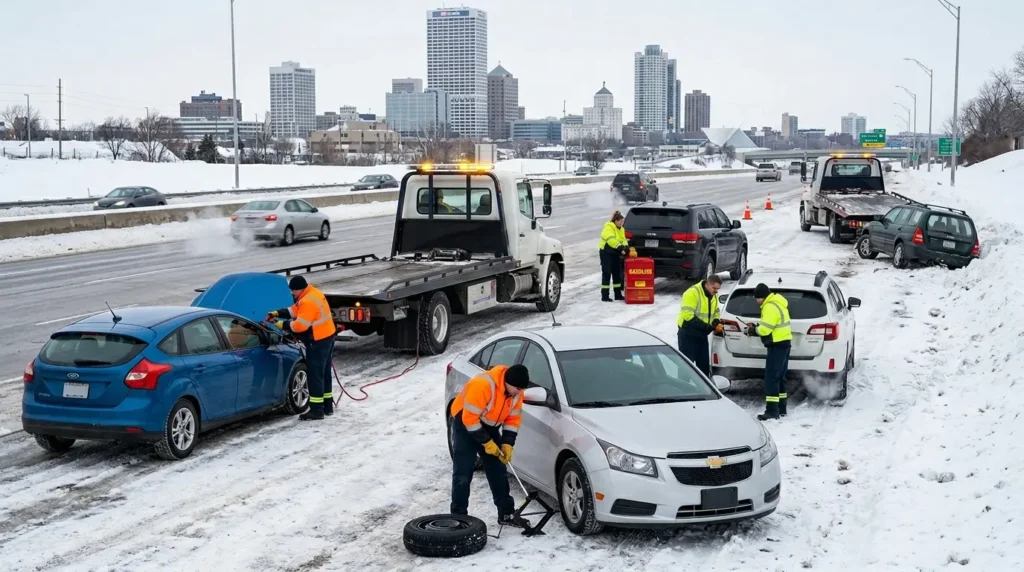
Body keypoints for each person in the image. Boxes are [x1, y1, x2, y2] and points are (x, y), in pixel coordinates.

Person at [449, 363, 531, 527]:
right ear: (507, 383)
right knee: (463, 472)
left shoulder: (516, 392)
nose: (519, 392)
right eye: (517, 389)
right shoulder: (482, 385)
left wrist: (507, 444)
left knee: (498, 470)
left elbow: (513, 419)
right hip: (464, 422)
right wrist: (487, 443)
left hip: (489, 424)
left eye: (522, 389)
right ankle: (459, 517)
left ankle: (506, 513)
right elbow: (469, 419)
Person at [267, 275, 338, 420]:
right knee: (324, 373)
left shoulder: (307, 301)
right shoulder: (313, 293)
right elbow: (295, 310)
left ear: (299, 289)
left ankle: (316, 410)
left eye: (293, 291)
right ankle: (327, 406)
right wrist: (277, 313)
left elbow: (300, 326)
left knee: (315, 375)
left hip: (317, 341)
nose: (292, 293)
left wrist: (281, 324)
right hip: (327, 336)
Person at [745, 283, 792, 420]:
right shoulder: (778, 303)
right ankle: (781, 408)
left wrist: (752, 330)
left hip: (776, 345)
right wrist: (757, 327)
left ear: (763, 296)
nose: (757, 301)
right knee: (780, 377)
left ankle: (772, 411)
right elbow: (771, 324)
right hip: (784, 343)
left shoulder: (769, 306)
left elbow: (765, 329)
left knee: (772, 378)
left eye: (758, 298)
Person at [677, 275, 723, 376]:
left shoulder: (713, 295)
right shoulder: (692, 293)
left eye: (718, 289)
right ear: (707, 284)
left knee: (703, 367)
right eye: (714, 288)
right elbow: (687, 316)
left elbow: (716, 311)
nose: (716, 291)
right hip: (688, 335)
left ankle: (704, 385)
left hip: (702, 335)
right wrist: (706, 327)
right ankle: (683, 385)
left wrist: (715, 321)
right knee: (686, 367)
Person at [598, 211, 628, 302]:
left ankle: (618, 294)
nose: (622, 223)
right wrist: (620, 247)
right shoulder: (609, 227)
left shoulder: (621, 229)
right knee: (607, 273)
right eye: (620, 221)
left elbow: (623, 239)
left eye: (623, 221)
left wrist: (626, 247)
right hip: (606, 252)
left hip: (615, 253)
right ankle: (605, 296)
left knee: (617, 273)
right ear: (616, 220)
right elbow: (611, 240)